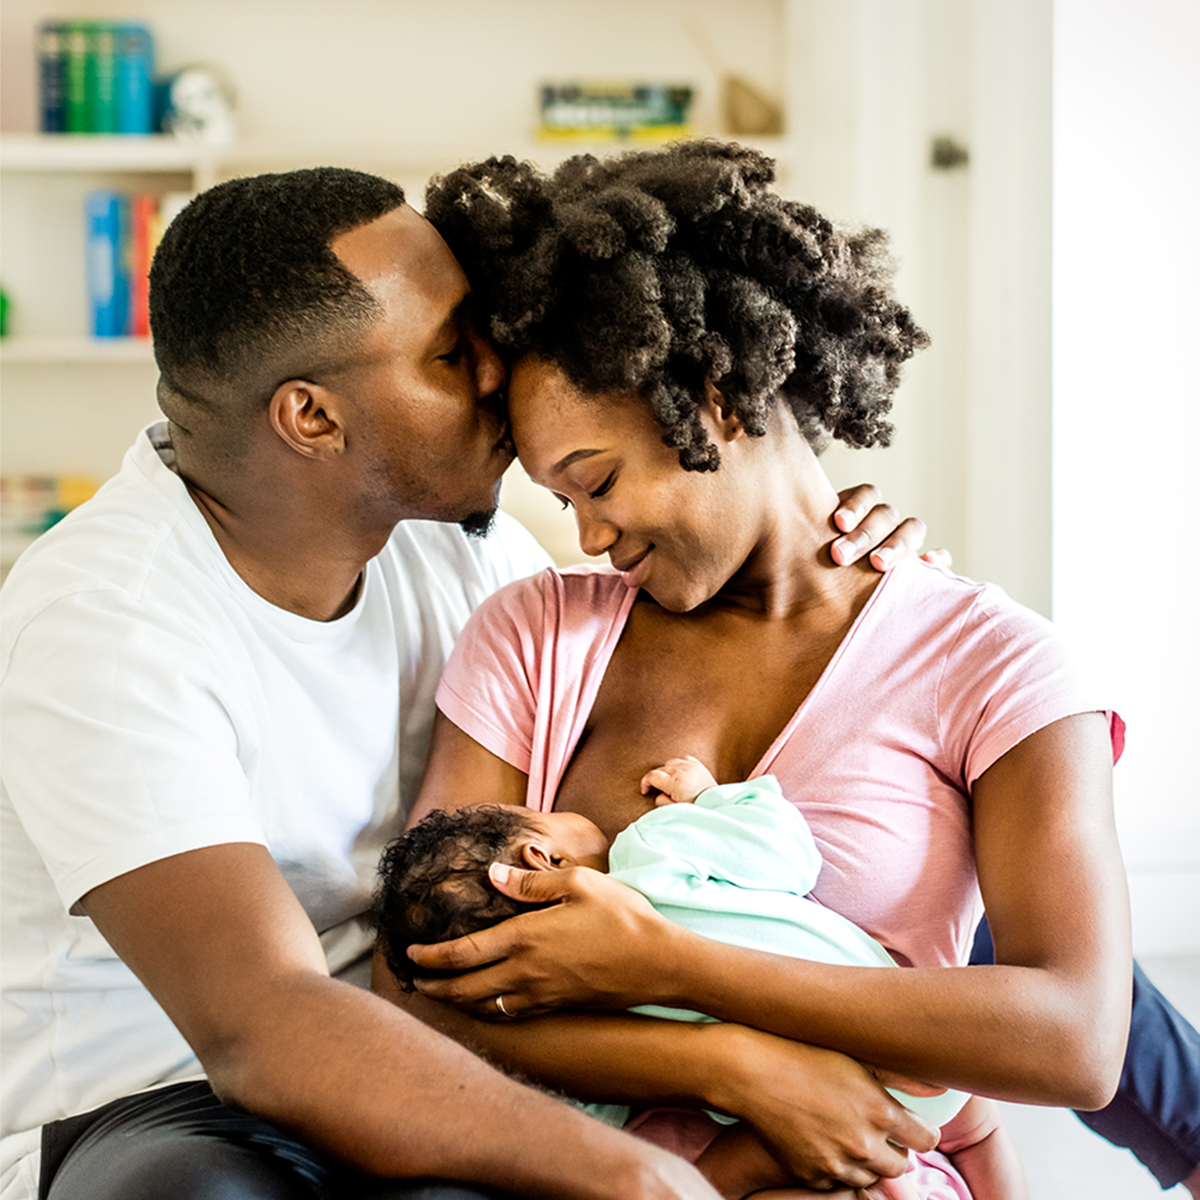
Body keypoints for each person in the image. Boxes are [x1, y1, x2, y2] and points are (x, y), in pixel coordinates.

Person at [0, 165, 926, 1200]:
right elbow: (260, 1025)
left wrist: (812, 547)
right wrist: (648, 1177)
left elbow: (697, 627)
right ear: (311, 418)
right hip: (167, 1093)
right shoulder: (107, 621)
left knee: (962, 861)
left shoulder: (456, 548)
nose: (501, 371)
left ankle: (1152, 1119)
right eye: (452, 352)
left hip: (441, 1035)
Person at [365, 141, 1139, 1198]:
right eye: (561, 503)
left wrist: (669, 966)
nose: (589, 538)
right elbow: (412, 989)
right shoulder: (537, 635)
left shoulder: (993, 665)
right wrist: (734, 1062)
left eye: (597, 482)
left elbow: (1076, 1039)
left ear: (715, 397)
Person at [374, 756, 1029, 1200]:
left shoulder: (566, 1002)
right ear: (540, 857)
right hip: (897, 1036)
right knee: (979, 1121)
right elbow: (786, 854)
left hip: (812, 1110)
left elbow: (591, 1103)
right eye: (541, 810)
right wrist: (708, 799)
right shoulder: (648, 851)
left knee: (747, 1150)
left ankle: (712, 1183)